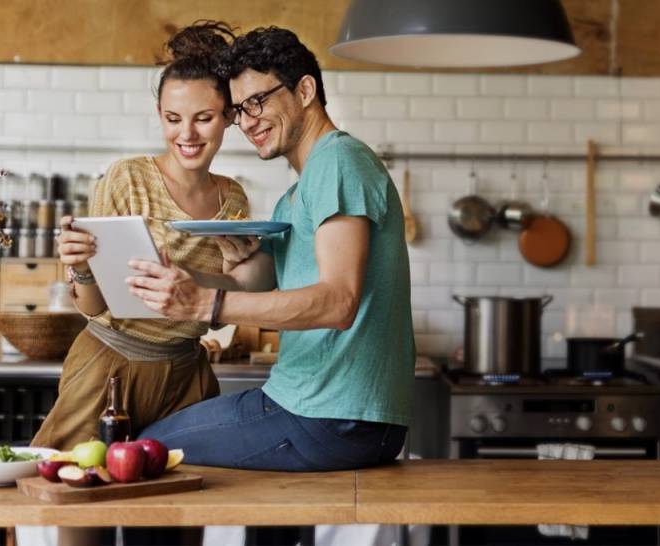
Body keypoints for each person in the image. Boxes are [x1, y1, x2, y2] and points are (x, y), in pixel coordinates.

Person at [128, 26, 414, 472]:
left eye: (258, 102)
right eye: (239, 110)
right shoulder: (296, 193)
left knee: (145, 449)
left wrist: (206, 302)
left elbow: (338, 303)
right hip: (322, 411)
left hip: (329, 415)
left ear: (304, 90)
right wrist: (188, 277)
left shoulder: (339, 161)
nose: (247, 121)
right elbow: (254, 282)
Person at [31, 21, 249, 453]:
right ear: (160, 116)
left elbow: (221, 315)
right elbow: (93, 307)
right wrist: (80, 267)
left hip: (188, 375)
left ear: (228, 116)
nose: (186, 134)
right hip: (108, 366)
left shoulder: (233, 198)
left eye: (203, 118)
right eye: (173, 119)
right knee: (78, 491)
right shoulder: (126, 179)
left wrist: (229, 276)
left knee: (182, 502)